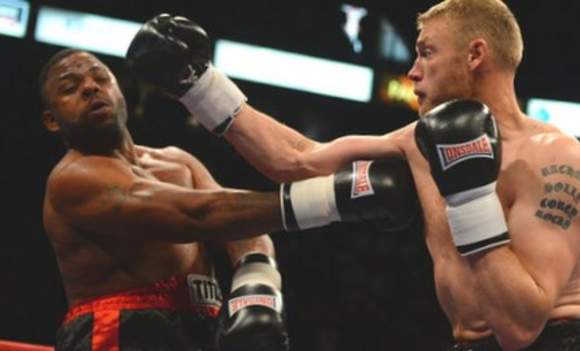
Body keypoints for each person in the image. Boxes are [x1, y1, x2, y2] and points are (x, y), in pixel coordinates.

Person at [125, 1, 580, 349]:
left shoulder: (554, 159)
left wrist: (469, 197)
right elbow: (296, 159)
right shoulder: (417, 140)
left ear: (475, 54)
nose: (413, 70)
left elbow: (522, 327)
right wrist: (199, 86)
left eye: (426, 52)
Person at [40, 49, 418, 350]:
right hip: (118, 332)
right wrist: (334, 199)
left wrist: (256, 286)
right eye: (71, 87)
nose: (91, 87)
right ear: (52, 120)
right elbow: (197, 214)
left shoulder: (177, 160)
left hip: (202, 327)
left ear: (120, 90)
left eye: (100, 77)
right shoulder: (73, 179)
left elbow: (242, 230)